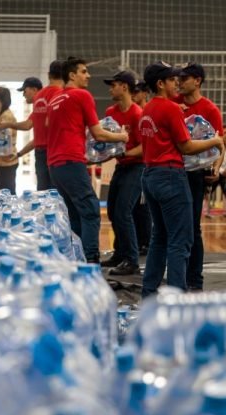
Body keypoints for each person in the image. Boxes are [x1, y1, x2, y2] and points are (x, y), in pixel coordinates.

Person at [139, 61, 223, 297]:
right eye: (172, 79)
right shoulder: (171, 108)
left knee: (160, 237)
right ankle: (177, 298)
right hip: (171, 176)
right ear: (160, 83)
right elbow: (186, 146)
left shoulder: (147, 109)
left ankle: (149, 292)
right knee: (180, 240)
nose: (177, 83)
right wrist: (215, 141)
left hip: (150, 176)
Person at [46, 57, 129, 264]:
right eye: (84, 71)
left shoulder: (55, 99)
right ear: (72, 75)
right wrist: (122, 137)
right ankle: (91, 263)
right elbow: (99, 134)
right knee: (91, 211)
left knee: (75, 214)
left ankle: (76, 261)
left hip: (54, 165)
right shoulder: (82, 95)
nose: (88, 75)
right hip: (71, 161)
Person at [176, 62, 225, 291]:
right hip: (174, 172)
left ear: (197, 80)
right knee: (174, 228)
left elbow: (219, 144)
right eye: (179, 78)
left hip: (195, 175)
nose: (180, 82)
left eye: (185, 78)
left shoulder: (210, 109)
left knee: (193, 227)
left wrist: (216, 169)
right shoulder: (174, 105)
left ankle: (194, 280)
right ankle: (177, 276)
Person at [101, 70, 144, 276]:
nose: (111, 89)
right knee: (112, 212)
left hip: (137, 167)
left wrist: (124, 151)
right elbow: (107, 143)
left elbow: (145, 147)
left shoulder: (137, 114)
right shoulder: (111, 112)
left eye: (114, 85)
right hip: (122, 165)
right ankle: (120, 253)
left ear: (124, 87)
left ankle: (132, 260)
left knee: (123, 212)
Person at [0, 61, 64, 191]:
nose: (23, 94)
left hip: (50, 152)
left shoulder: (43, 97)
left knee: (46, 191)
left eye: (25, 90)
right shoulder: (49, 98)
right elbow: (38, 138)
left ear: (34, 89)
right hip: (48, 151)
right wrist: (19, 154)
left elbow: (28, 126)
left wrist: (7, 124)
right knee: (50, 191)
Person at [131, 79, 152, 256]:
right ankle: (140, 240)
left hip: (146, 164)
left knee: (144, 206)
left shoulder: (147, 112)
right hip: (138, 163)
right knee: (136, 206)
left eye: (137, 92)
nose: (134, 95)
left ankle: (146, 241)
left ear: (145, 93)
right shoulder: (135, 112)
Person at [0, 86, 19, 195]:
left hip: (6, 162)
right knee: (4, 192)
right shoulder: (1, 115)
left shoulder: (5, 116)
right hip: (2, 162)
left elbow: (4, 142)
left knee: (7, 195)